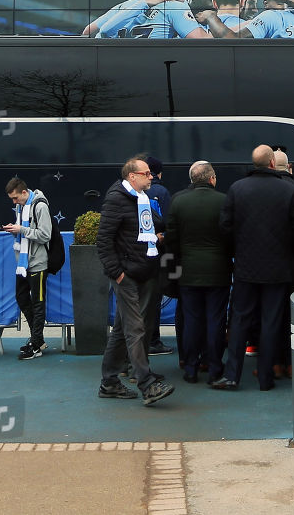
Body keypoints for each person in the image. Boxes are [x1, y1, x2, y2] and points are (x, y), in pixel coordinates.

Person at [211, 145, 294, 391]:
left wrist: (238, 251)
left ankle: (232, 374)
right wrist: (288, 253)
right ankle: (265, 377)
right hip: (278, 268)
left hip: (246, 266)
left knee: (240, 320)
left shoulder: (237, 188)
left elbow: (225, 226)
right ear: (273, 162)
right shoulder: (290, 190)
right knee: (271, 321)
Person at [97, 158, 174, 406]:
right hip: (127, 275)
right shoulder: (116, 199)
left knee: (121, 330)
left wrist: (159, 235)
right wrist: (117, 273)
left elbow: (154, 225)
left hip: (143, 270)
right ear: (132, 176)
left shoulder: (142, 199)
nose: (152, 177)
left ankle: (109, 382)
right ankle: (147, 384)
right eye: (147, 173)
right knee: (136, 329)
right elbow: (104, 241)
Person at [166, 161, 230, 384]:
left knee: (191, 320)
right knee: (216, 320)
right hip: (218, 271)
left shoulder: (178, 201)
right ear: (212, 178)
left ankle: (190, 367)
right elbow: (231, 236)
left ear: (192, 179)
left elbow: (171, 240)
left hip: (188, 271)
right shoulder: (224, 201)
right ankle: (214, 368)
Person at [5, 177, 52, 361]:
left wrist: (21, 230)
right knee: (22, 297)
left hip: (38, 262)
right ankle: (37, 340)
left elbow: (45, 235)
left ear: (24, 192)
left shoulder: (40, 206)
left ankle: (36, 344)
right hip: (23, 263)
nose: (14, 202)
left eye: (16, 198)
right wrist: (16, 229)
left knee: (38, 303)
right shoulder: (22, 206)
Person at [140, 157, 174, 356]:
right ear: (158, 173)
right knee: (154, 298)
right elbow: (168, 223)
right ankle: (153, 341)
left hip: (135, 256)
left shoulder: (130, 192)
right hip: (156, 253)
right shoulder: (161, 192)